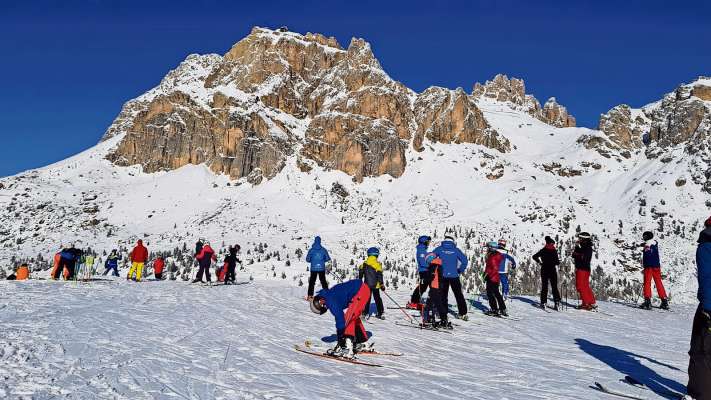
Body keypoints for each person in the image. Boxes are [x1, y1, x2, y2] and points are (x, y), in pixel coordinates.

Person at [309, 279, 371, 359]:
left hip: (360, 291)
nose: (323, 310)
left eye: (319, 309)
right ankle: (362, 343)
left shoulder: (330, 300)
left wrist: (340, 335)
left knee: (347, 320)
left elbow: (340, 319)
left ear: (320, 303)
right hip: (362, 290)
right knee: (353, 317)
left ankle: (346, 349)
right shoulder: (328, 295)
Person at [688, 216, 711, 398]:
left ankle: (701, 394)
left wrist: (707, 307)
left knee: (702, 349)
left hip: (709, 306)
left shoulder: (706, 247)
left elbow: (706, 278)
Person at [433, 235, 469, 320]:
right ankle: (462, 313)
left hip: (443, 275)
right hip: (454, 275)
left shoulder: (439, 249)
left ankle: (443, 313)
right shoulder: (456, 250)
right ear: (452, 241)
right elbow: (464, 261)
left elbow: (430, 257)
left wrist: (434, 268)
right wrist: (460, 270)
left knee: (443, 295)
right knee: (458, 294)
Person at [640, 231, 669, 310]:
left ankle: (647, 301)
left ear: (646, 237)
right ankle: (664, 301)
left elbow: (648, 253)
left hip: (649, 267)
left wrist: (645, 249)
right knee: (658, 282)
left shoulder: (647, 245)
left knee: (647, 283)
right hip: (656, 266)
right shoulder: (654, 243)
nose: (643, 237)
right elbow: (651, 247)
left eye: (644, 236)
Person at [422, 253, 451, 329]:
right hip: (439, 288)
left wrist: (424, 280)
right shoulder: (439, 265)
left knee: (429, 303)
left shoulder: (433, 266)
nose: (427, 263)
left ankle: (430, 319)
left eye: (427, 261)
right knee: (439, 304)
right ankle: (444, 320)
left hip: (434, 288)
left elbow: (430, 277)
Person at [532, 236, 562, 310]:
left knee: (544, 286)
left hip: (544, 269)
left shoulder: (543, 250)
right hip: (552, 270)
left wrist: (540, 262)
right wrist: (557, 262)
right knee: (554, 286)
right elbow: (557, 262)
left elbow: (534, 256)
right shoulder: (554, 251)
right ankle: (557, 302)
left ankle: (543, 302)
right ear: (551, 243)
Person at [358, 247, 385, 319]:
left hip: (366, 285)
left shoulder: (364, 264)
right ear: (376, 255)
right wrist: (381, 284)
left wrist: (359, 280)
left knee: (366, 299)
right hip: (376, 285)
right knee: (377, 299)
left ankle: (364, 313)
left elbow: (360, 273)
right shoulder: (377, 264)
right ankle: (380, 313)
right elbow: (379, 275)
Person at [572, 232, 596, 310]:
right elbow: (578, 254)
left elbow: (583, 257)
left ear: (583, 239)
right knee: (585, 286)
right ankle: (590, 302)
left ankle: (585, 304)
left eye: (580, 238)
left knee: (580, 286)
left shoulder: (586, 247)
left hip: (582, 269)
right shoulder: (586, 246)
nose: (579, 239)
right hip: (585, 269)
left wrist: (576, 254)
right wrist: (576, 248)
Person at [408, 235, 432, 309]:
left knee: (423, 286)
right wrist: (431, 265)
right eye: (427, 241)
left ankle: (415, 301)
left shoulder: (423, 250)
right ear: (424, 242)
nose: (429, 243)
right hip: (424, 271)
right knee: (422, 287)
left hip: (426, 271)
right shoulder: (421, 250)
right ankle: (414, 301)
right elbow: (422, 262)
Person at [484, 242, 508, 317]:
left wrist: (487, 275)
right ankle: (502, 308)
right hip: (495, 277)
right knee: (496, 293)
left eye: (488, 247)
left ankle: (494, 309)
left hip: (492, 277)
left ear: (491, 248)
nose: (487, 248)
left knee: (490, 293)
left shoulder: (493, 256)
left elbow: (494, 268)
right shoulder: (495, 255)